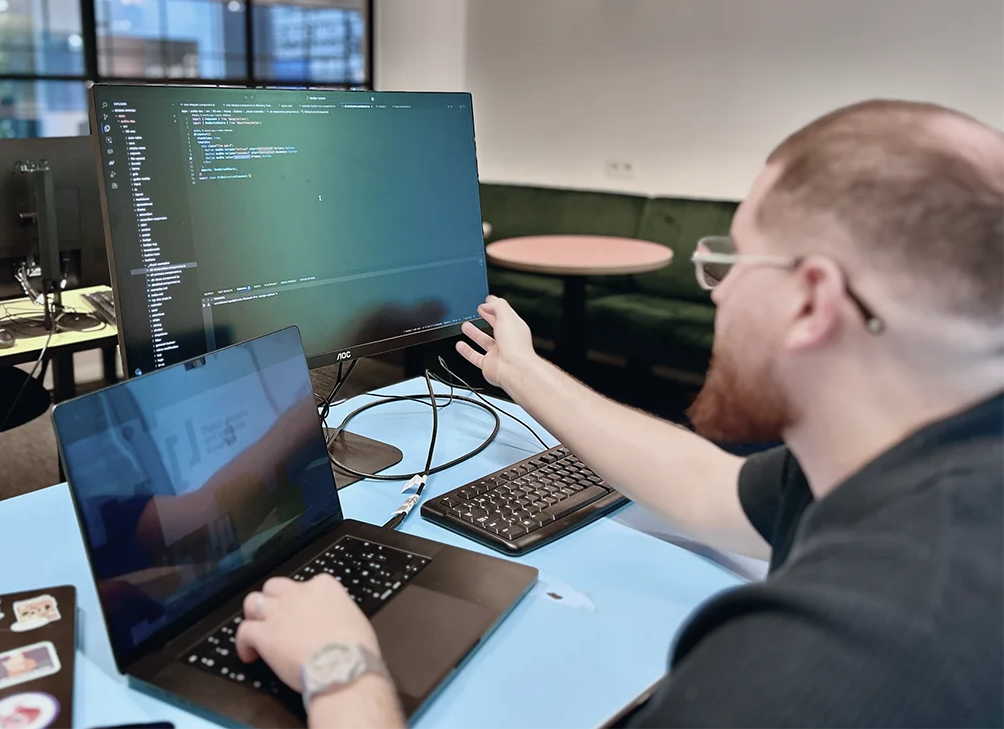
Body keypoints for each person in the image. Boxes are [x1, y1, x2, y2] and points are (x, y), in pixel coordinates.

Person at [233, 100, 1004, 728]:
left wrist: (343, 665)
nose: (717, 291)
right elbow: (712, 488)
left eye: (731, 262)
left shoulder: (822, 663)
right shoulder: (925, 459)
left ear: (814, 301)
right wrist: (523, 372)